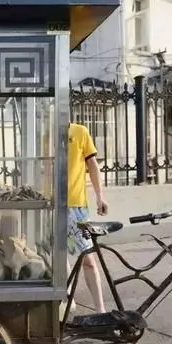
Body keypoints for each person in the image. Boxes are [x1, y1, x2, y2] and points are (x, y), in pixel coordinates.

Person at [65, 123, 108, 314]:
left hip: (77, 207)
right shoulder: (48, 134)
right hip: (55, 205)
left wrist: (100, 196)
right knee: (59, 255)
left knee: (88, 258)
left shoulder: (80, 132)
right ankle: (68, 298)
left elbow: (92, 165)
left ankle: (100, 309)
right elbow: (47, 167)